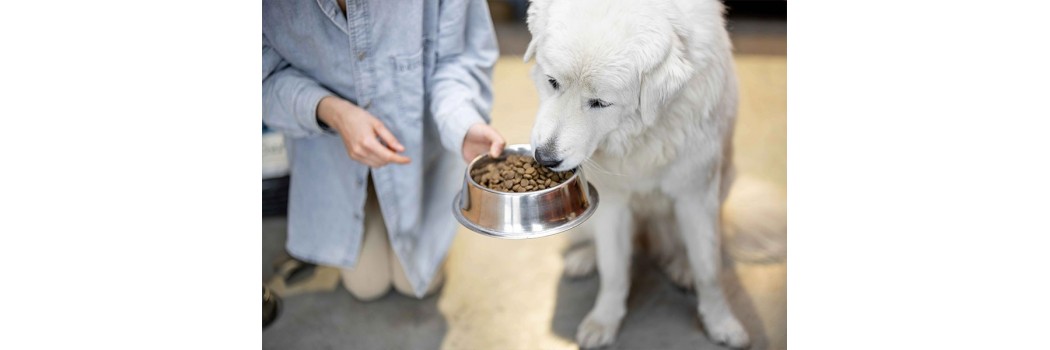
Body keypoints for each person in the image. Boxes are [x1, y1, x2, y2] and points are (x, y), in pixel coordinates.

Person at [262, 0, 503, 300]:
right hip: (331, 158)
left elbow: (458, 61)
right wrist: (331, 111)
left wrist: (462, 123)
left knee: (418, 283)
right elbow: (263, 79)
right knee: (367, 286)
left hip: (418, 154)